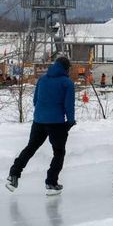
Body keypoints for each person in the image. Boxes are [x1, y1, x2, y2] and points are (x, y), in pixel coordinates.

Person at [6, 56, 76, 196]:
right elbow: (69, 105)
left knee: (30, 147)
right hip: (56, 123)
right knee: (59, 152)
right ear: (66, 68)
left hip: (38, 120)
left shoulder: (43, 79)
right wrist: (70, 121)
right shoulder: (67, 83)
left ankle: (13, 175)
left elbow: (35, 100)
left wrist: (42, 113)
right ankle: (51, 182)